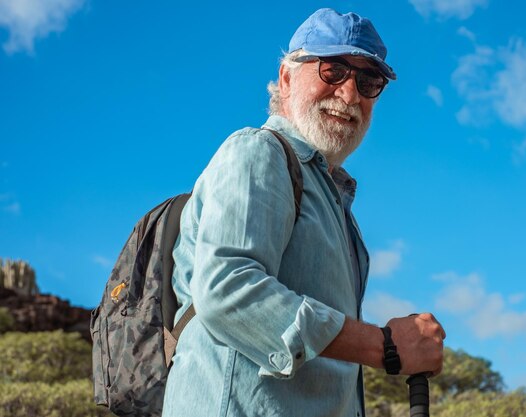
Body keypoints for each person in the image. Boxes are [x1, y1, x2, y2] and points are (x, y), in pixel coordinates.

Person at [162, 8, 445, 417]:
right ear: (287, 77)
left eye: (368, 82)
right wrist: (383, 346)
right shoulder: (259, 151)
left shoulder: (336, 202)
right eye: (333, 71)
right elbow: (227, 289)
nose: (350, 95)